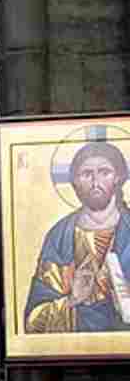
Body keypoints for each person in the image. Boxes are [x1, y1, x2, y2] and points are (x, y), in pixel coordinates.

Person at [24, 139, 130, 333]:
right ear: (75, 182)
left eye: (104, 172)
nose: (96, 183)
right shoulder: (59, 236)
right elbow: (33, 321)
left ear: (118, 177)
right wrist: (73, 299)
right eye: (87, 174)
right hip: (75, 341)